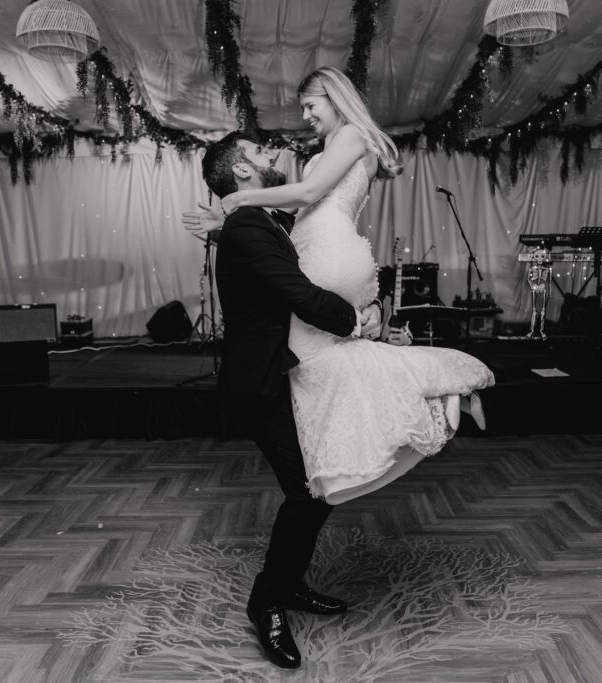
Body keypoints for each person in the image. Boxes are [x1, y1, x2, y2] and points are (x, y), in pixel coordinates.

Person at [191, 66, 494, 507]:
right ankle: (349, 449)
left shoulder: (352, 135)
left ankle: (423, 398)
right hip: (324, 245)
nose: (307, 116)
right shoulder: (335, 146)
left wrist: (240, 200)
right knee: (327, 363)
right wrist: (228, 226)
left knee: (318, 352)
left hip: (330, 248)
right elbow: (286, 227)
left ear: (334, 97)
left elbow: (307, 192)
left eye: (311, 105)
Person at [201, 130, 384, 669]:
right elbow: (299, 295)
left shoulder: (254, 222)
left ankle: (289, 584)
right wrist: (358, 323)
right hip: (258, 383)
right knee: (309, 493)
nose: (271, 155)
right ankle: (267, 602)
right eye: (258, 152)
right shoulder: (246, 228)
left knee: (316, 489)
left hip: (283, 374)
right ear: (240, 171)